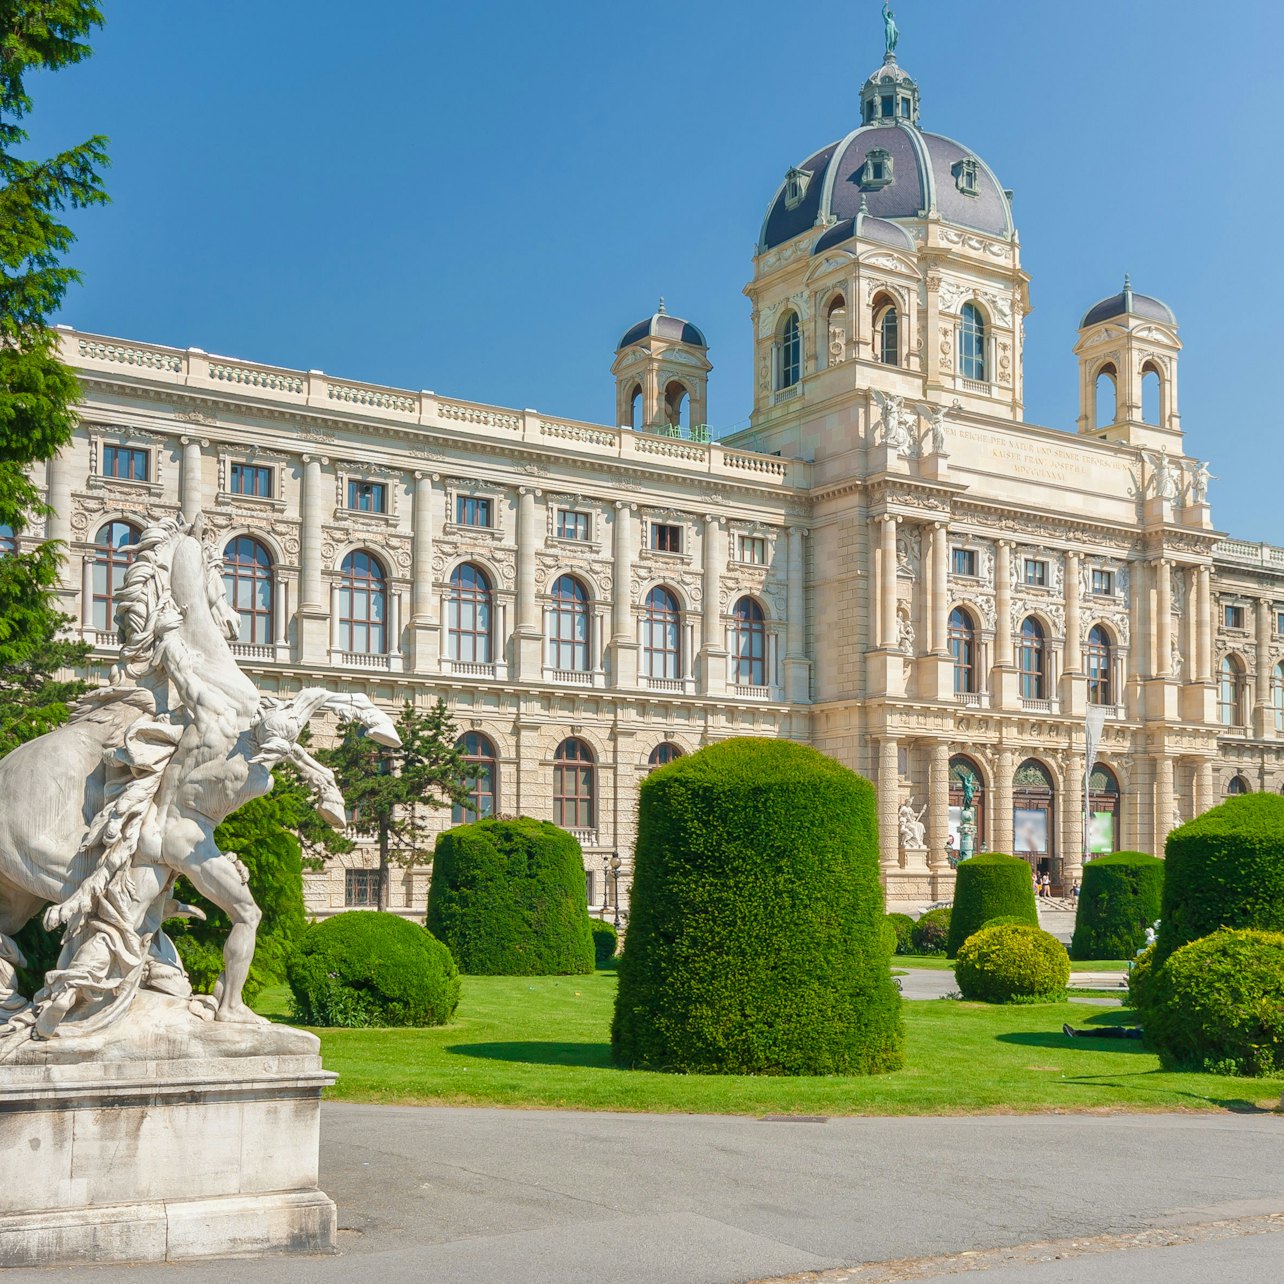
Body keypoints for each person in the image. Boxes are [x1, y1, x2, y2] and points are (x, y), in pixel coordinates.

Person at [1063, 1023, 1142, 1040]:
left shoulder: (1142, 1034)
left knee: (1098, 1032)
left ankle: (1075, 1033)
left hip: (1122, 1033)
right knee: (1099, 1031)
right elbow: (1137, 1026)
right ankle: (1075, 1031)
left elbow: (1137, 1027)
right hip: (1122, 1031)